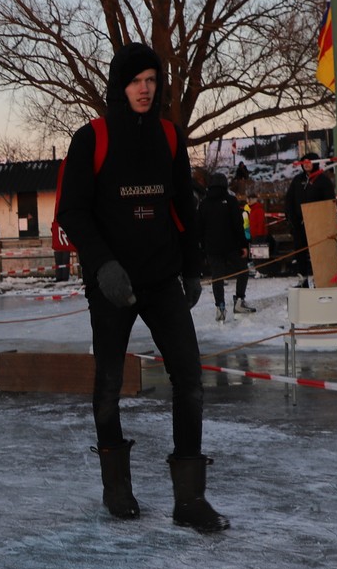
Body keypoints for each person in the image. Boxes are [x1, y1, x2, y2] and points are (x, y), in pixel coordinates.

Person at [54, 42, 226, 532]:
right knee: (109, 384)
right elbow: (72, 211)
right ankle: (117, 488)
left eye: (151, 79)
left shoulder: (169, 136)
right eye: (135, 81)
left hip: (162, 278)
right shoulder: (92, 137)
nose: (144, 89)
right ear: (119, 86)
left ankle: (190, 500)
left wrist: (191, 268)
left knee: (189, 380)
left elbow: (183, 208)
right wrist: (103, 265)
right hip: (112, 284)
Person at [199, 173, 254, 321]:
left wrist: (203, 247)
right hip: (231, 246)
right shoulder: (230, 201)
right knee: (243, 271)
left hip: (212, 248)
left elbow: (199, 227)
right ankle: (239, 301)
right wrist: (243, 244)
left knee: (217, 277)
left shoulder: (204, 203)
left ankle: (220, 308)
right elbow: (238, 225)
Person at [283, 152, 334, 288]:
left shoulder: (323, 181)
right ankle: (303, 280)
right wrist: (291, 220)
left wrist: (324, 221)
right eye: (304, 162)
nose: (306, 164)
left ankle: (320, 279)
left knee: (319, 253)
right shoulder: (297, 180)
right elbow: (289, 200)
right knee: (300, 253)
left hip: (318, 224)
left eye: (309, 162)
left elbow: (329, 202)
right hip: (300, 225)